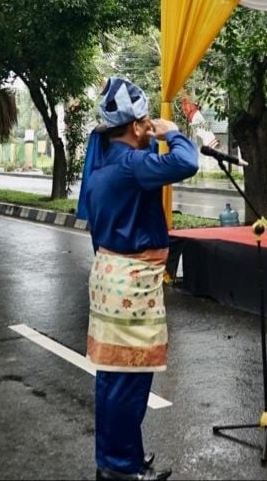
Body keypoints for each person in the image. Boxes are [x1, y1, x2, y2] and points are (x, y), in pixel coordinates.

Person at [76, 78, 198, 481]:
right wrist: (173, 133)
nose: (150, 127)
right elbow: (187, 163)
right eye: (145, 121)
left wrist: (151, 135)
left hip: (111, 276)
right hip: (131, 281)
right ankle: (121, 469)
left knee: (113, 378)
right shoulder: (130, 165)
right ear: (135, 125)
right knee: (129, 380)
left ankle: (115, 459)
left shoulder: (102, 165)